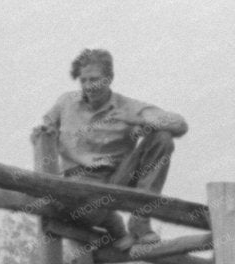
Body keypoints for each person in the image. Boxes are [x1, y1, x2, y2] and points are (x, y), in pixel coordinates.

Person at [34, 48, 189, 247]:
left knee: (162, 137)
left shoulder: (126, 106)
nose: (89, 86)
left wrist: (139, 120)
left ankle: (140, 220)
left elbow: (179, 124)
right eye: (84, 80)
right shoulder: (66, 102)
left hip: (117, 179)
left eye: (95, 79)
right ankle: (111, 222)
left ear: (109, 78)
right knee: (71, 206)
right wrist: (55, 139)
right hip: (79, 181)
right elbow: (44, 130)